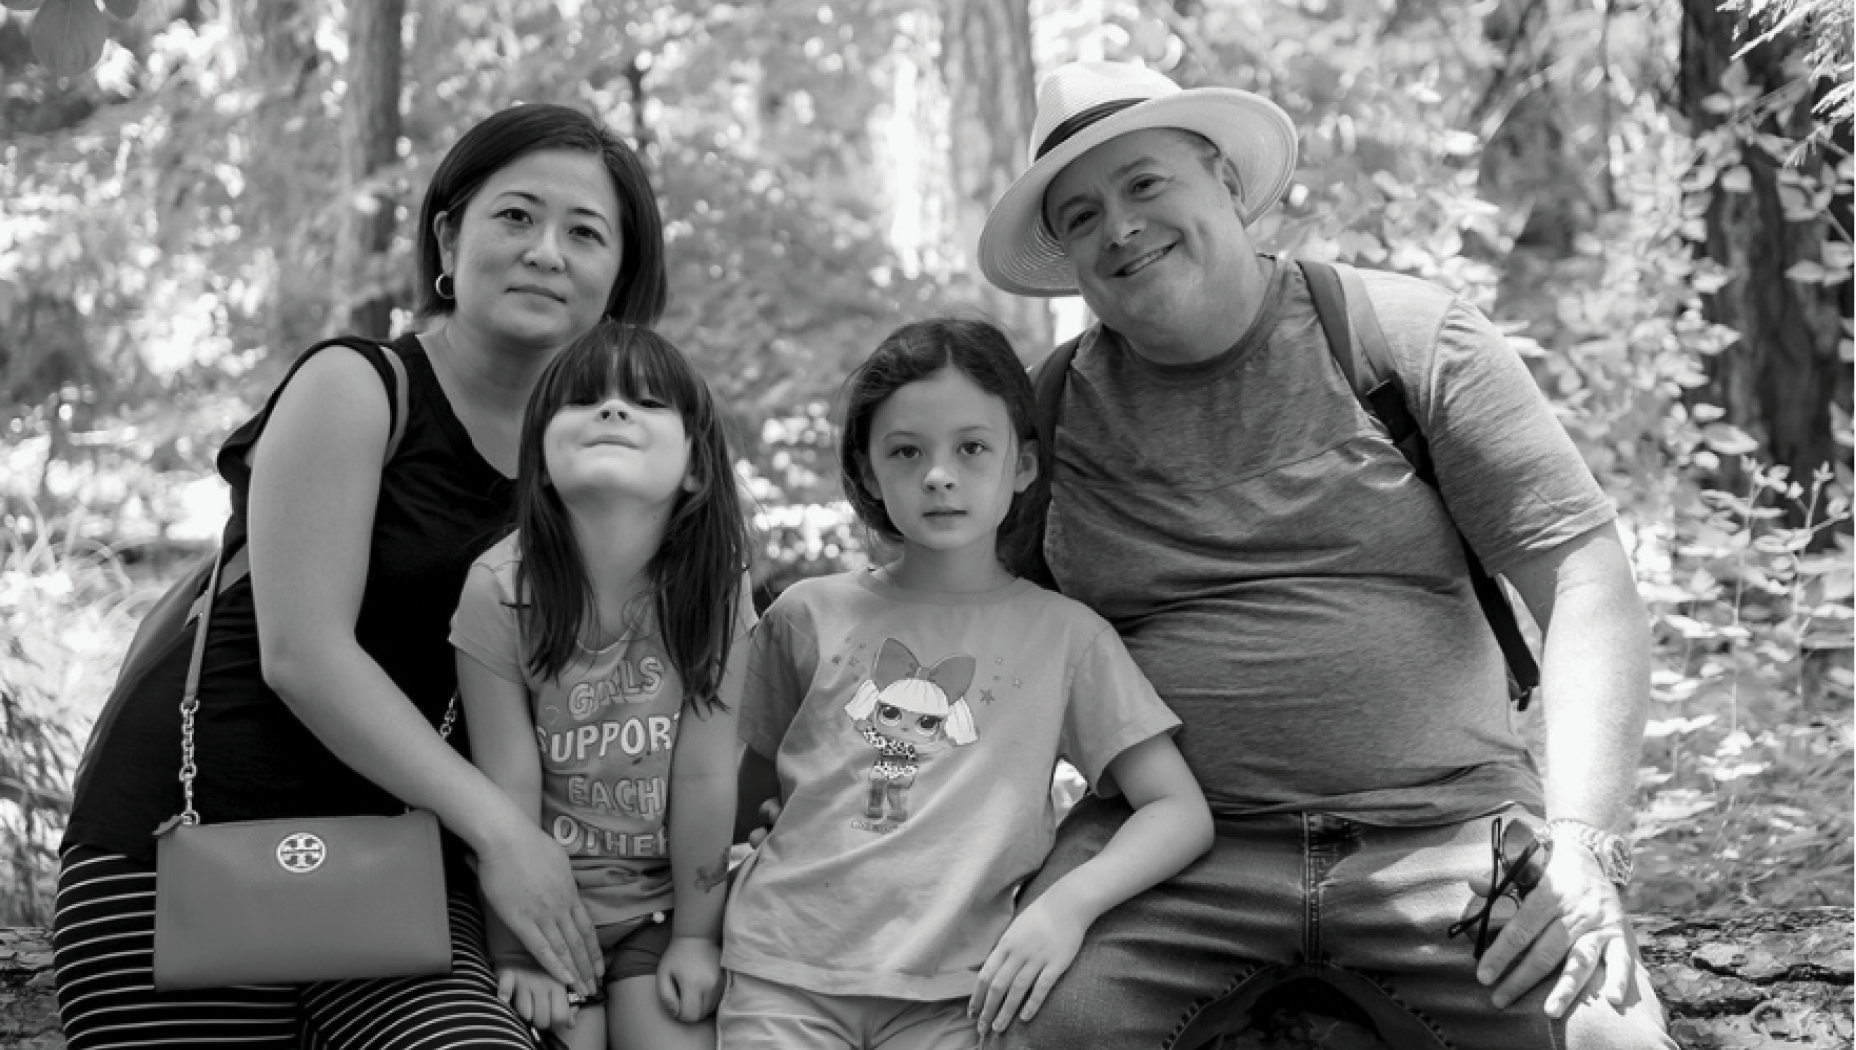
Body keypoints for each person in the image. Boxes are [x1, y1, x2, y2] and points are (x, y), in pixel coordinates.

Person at [970, 61, 1677, 1049]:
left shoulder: (1400, 337)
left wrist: (1583, 845)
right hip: (1160, 857)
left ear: (1220, 175)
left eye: (1144, 184)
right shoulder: (1043, 413)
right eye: (1079, 215)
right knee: (1018, 1030)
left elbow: (1581, 578)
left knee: (1607, 1040)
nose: (1118, 227)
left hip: (1448, 839)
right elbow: (969, 639)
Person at [55, 102, 667, 1049]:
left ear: (619, 278)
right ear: (450, 236)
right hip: (182, 845)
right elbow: (303, 653)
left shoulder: (593, 466)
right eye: (516, 215)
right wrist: (507, 837)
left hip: (403, 868)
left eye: (586, 232)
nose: (548, 250)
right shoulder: (357, 385)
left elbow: (652, 676)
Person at [718, 318, 1214, 1050]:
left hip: (957, 995)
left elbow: (1179, 812)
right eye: (907, 451)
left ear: (1023, 465)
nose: (939, 474)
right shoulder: (804, 615)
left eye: (972, 448)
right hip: (782, 973)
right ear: (865, 472)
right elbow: (749, 784)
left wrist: (1066, 907)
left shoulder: (1068, 637)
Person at [451, 321, 753, 1050]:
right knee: (569, 1042)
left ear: (695, 468)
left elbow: (708, 775)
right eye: (584, 400)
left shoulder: (714, 590)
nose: (613, 410)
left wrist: (695, 938)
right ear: (542, 459)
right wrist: (521, 946)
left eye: (646, 403)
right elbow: (507, 784)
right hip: (546, 901)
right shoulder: (498, 591)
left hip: (665, 905)